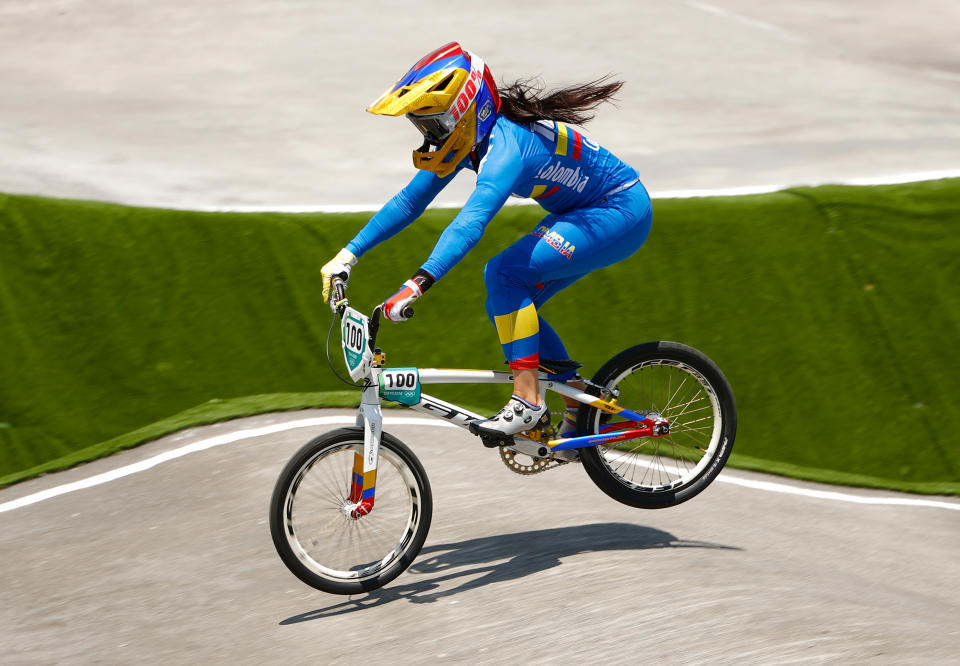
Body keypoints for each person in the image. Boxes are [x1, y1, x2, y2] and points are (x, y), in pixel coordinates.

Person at [321, 42, 652, 438]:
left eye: (434, 123)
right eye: (422, 125)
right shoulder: (473, 139)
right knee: (508, 304)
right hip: (586, 210)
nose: (430, 135)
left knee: (504, 275)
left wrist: (419, 282)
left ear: (466, 113)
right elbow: (410, 201)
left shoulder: (505, 151)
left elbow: (469, 223)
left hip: (619, 210)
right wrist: (347, 255)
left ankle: (528, 400)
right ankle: (579, 404)